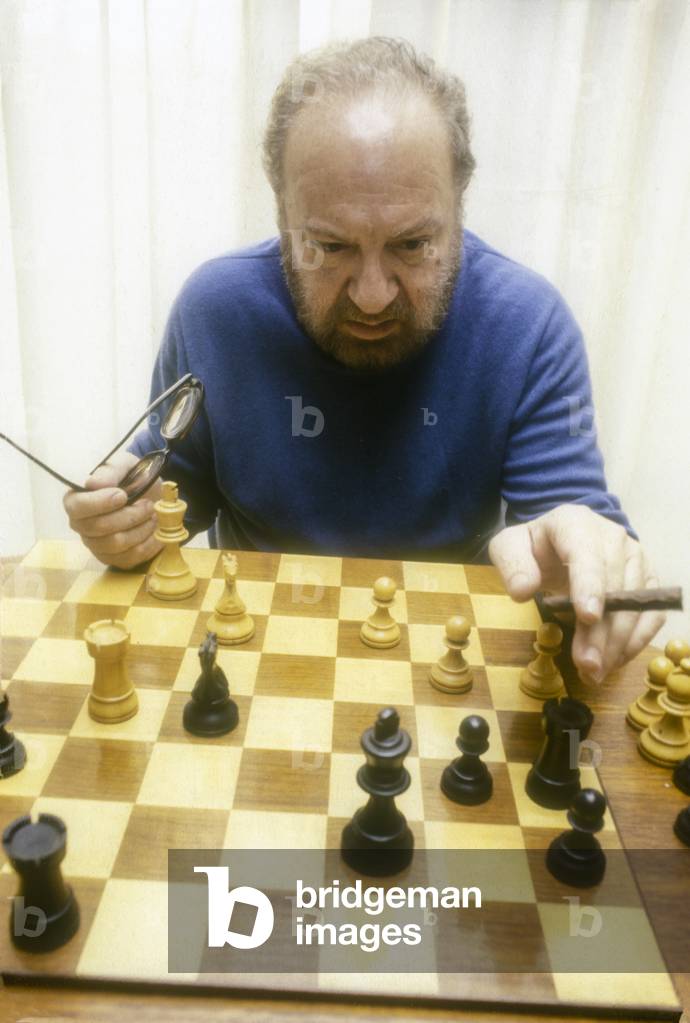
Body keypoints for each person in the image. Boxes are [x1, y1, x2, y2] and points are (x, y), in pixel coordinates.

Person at [63, 37, 665, 685]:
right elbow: (172, 510)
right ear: (281, 214)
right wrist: (123, 525)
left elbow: (573, 536)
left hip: (444, 672)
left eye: (413, 244)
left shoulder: (528, 323)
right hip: (248, 665)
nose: (373, 295)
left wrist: (590, 565)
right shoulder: (214, 309)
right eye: (329, 246)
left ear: (459, 212)